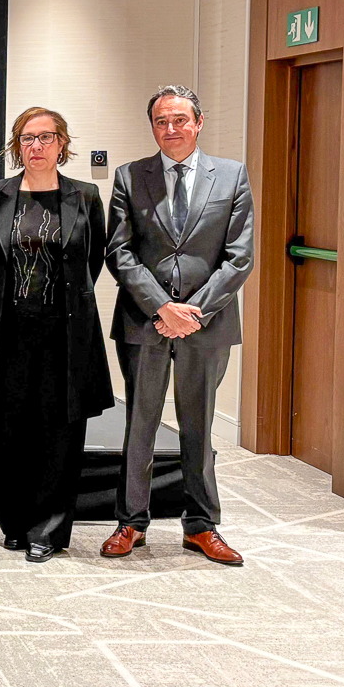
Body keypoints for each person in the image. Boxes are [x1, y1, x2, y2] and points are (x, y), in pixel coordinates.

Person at [102, 85, 253, 566]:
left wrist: (194, 312)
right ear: (152, 126)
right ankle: (131, 522)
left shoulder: (231, 176)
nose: (170, 129)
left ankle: (201, 526)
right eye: (161, 121)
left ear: (199, 122)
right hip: (145, 323)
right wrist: (162, 308)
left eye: (180, 119)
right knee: (140, 425)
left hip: (207, 326)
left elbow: (239, 257)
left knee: (199, 426)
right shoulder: (130, 176)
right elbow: (119, 251)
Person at [0, 108, 114, 563]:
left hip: (64, 336)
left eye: (47, 137)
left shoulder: (86, 196)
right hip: (7, 333)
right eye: (28, 138)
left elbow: (92, 261)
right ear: (17, 145)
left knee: (60, 434)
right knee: (8, 432)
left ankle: (49, 528)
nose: (37, 146)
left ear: (62, 143)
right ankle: (14, 523)